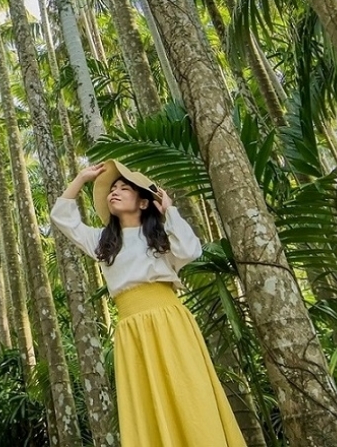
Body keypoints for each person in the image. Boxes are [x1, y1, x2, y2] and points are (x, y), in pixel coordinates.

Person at [51, 159, 247, 447]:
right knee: (146, 403)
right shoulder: (102, 242)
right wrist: (81, 178)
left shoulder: (161, 239)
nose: (114, 192)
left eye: (123, 188)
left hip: (170, 321)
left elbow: (191, 250)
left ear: (143, 203)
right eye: (112, 189)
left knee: (189, 392)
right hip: (132, 330)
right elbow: (62, 217)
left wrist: (169, 209)